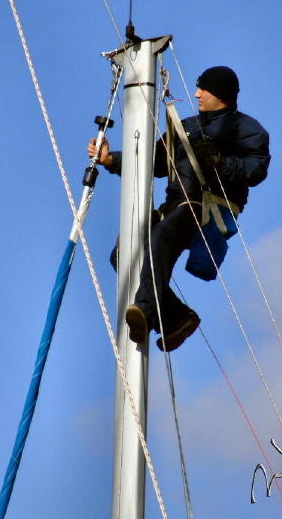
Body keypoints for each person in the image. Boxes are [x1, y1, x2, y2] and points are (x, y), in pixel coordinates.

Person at [88, 66, 270, 351]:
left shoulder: (246, 129)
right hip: (175, 203)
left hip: (208, 206)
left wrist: (221, 162)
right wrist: (111, 160)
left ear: (219, 94)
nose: (196, 94)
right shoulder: (186, 126)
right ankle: (176, 319)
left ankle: (145, 311)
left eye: (203, 89)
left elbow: (256, 169)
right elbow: (156, 161)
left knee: (160, 237)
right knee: (123, 254)